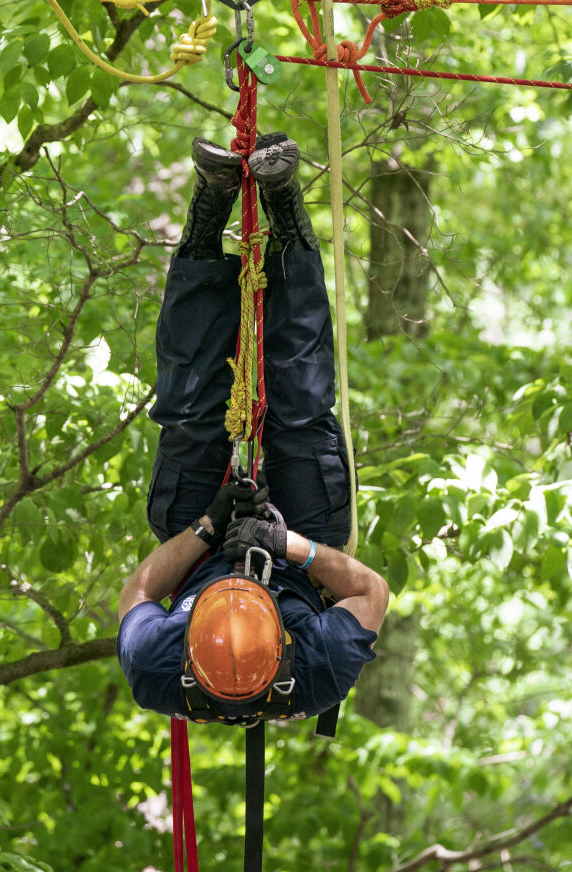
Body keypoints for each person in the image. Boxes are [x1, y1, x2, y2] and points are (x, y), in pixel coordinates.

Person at [116, 132, 390, 724]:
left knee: (188, 419)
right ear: (284, 644)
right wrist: (287, 546)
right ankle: (286, 212)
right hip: (299, 552)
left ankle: (209, 210)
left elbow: (137, 591)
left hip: (198, 550)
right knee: (301, 416)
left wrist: (209, 527)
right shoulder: (319, 669)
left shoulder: (156, 668)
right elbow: (372, 592)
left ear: (188, 640)